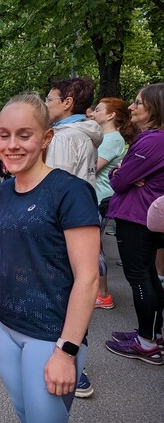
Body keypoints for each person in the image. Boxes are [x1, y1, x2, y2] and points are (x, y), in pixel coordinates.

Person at [0, 93, 100, 423]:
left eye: (24, 134)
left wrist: (66, 351)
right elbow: (0, 262)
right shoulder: (3, 191)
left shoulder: (71, 192)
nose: (11, 145)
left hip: (49, 338)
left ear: (46, 138)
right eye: (4, 135)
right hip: (4, 326)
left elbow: (88, 278)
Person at [44, 76, 102, 398]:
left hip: (63, 225)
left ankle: (74, 366)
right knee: (78, 284)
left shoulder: (65, 138)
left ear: (67, 103)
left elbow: (55, 187)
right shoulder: (86, 134)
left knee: (69, 290)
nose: (47, 103)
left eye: (51, 98)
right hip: (81, 220)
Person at [106, 83, 164, 365]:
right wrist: (123, 173)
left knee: (140, 278)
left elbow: (118, 181)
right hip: (143, 215)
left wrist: (120, 173)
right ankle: (151, 333)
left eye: (138, 103)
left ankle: (147, 342)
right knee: (149, 276)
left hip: (136, 217)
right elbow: (124, 176)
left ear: (153, 108)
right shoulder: (154, 139)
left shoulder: (152, 141)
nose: (131, 107)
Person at [89, 98, 136, 310]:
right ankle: (98, 291)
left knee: (92, 247)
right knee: (92, 246)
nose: (93, 112)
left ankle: (103, 294)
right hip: (96, 197)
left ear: (111, 115)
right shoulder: (106, 138)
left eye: (98, 110)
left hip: (100, 199)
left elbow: (92, 167)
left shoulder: (112, 139)